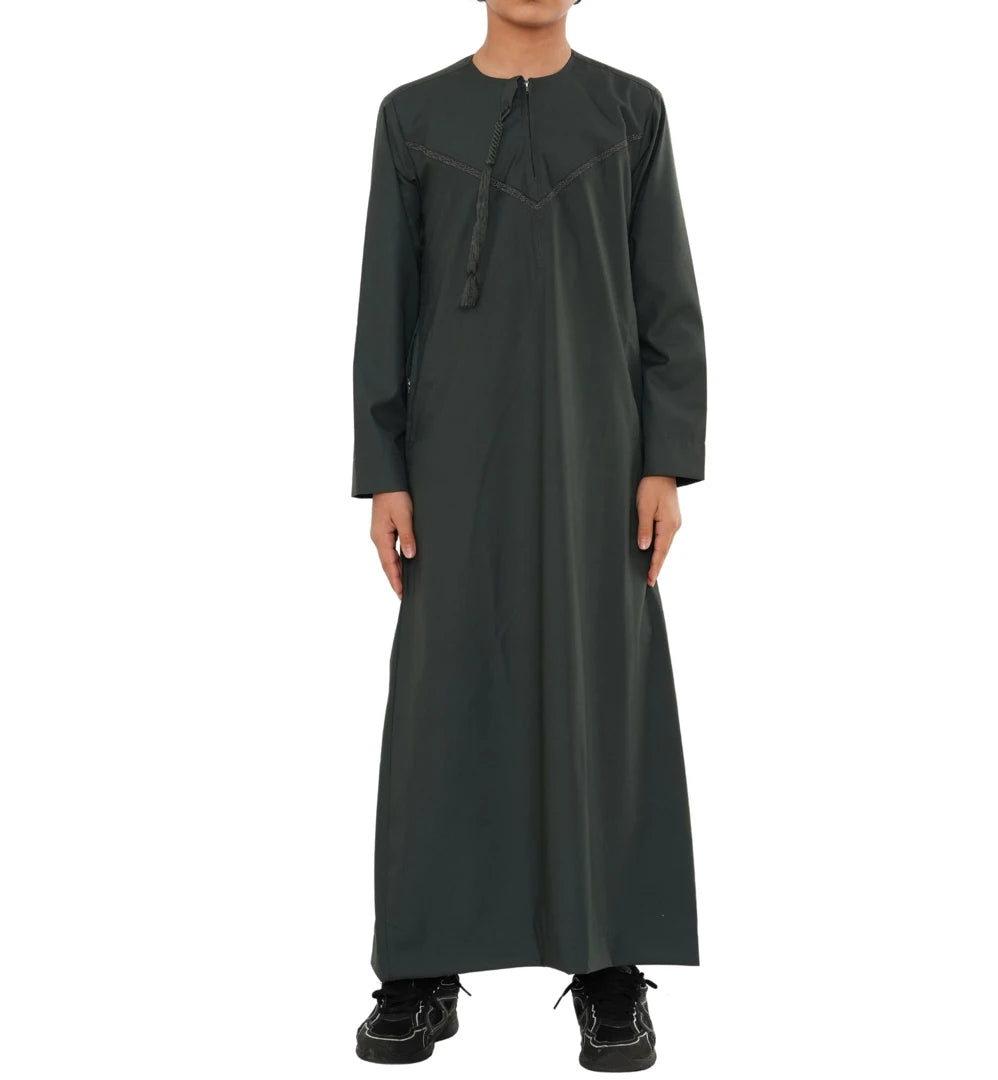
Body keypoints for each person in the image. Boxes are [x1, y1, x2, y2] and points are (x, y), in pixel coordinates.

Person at [350, 0, 707, 1070]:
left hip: (602, 456)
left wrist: (664, 460)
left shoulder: (631, 112)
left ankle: (608, 964)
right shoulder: (413, 116)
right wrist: (385, 471)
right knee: (442, 696)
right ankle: (419, 966)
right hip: (453, 457)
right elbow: (384, 302)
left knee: (603, 690)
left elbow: (667, 299)